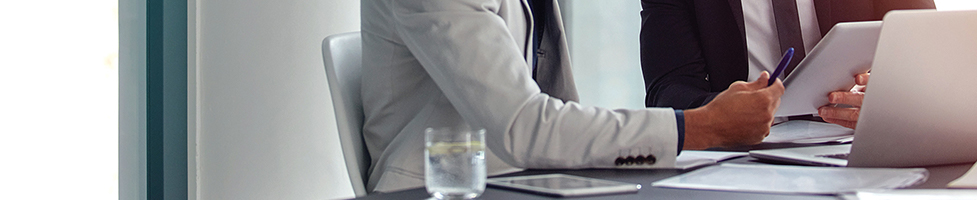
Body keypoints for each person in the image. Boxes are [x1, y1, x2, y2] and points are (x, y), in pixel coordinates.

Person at [361, 0, 784, 192]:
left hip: (523, 180)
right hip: (440, 188)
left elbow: (558, 112)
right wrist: (702, 126)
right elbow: (526, 126)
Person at [639, 0, 934, 128]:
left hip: (860, 141)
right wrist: (721, 112)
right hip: (745, 155)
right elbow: (667, 88)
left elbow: (932, 56)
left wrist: (894, 100)